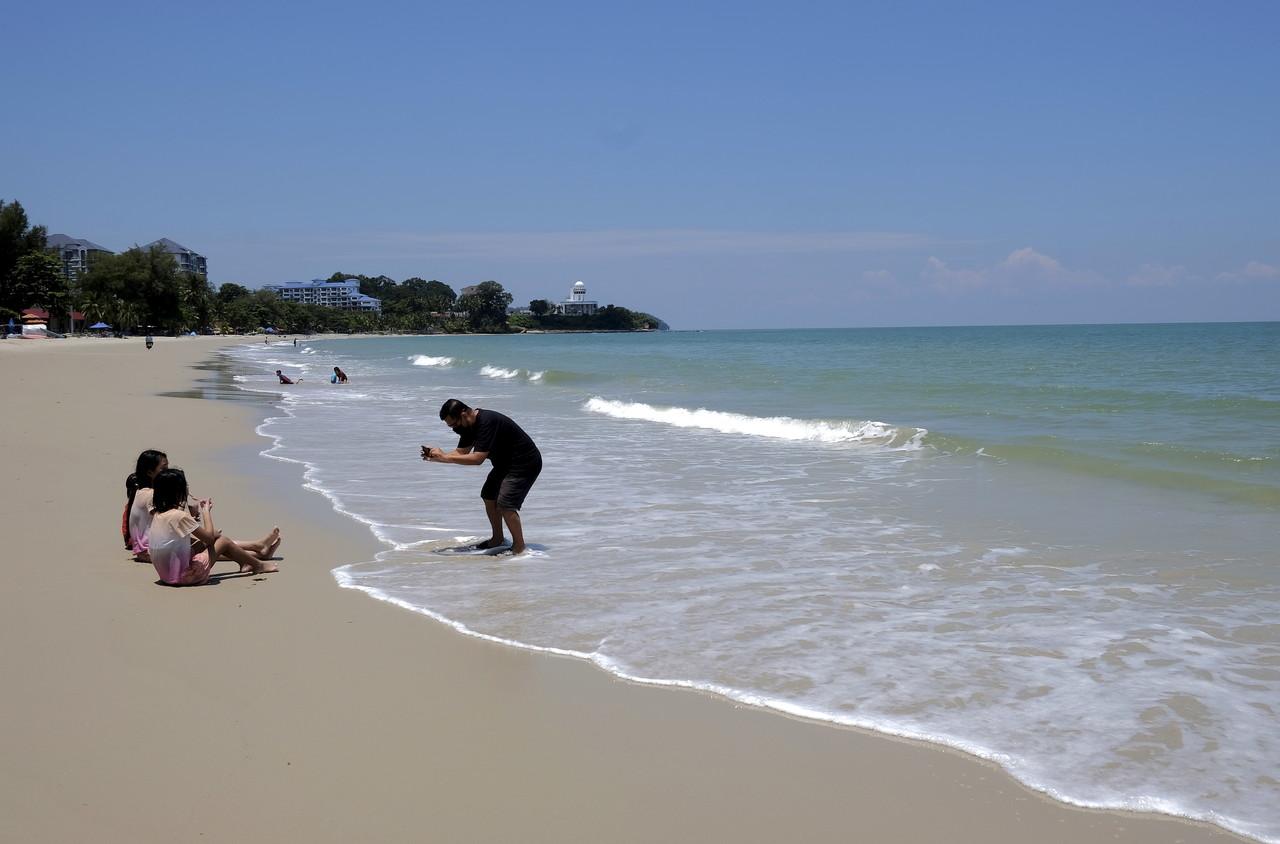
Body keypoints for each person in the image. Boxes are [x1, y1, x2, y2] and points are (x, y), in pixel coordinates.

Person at [423, 399, 542, 554]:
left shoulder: (487, 422)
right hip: (504, 464)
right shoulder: (466, 426)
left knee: (505, 504)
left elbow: (477, 459)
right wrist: (438, 455)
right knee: (488, 495)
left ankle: (519, 548)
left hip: (524, 463)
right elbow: (461, 453)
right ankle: (497, 539)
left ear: (464, 414)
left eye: (453, 425)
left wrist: (445, 458)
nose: (453, 429)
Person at [147, 468, 279, 585]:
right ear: (178, 492)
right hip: (185, 577)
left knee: (205, 541)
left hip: (166, 576)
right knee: (223, 541)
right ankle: (258, 565)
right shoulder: (179, 516)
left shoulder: (159, 514)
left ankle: (245, 561)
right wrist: (206, 512)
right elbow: (209, 539)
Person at [125, 449, 168, 555]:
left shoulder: (140, 492)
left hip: (141, 546)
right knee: (209, 543)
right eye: (164, 469)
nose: (168, 472)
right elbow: (168, 520)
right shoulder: (151, 494)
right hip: (150, 549)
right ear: (149, 472)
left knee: (207, 543)